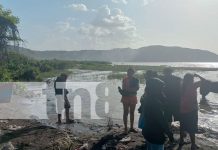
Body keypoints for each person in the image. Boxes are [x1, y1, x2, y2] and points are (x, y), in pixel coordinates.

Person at [142, 78, 174, 150]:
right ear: (155, 89)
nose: (162, 91)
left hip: (148, 131)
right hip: (156, 135)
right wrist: (169, 134)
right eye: (161, 89)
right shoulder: (155, 103)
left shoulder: (147, 98)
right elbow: (162, 121)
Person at [179, 73, 205, 150]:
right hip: (191, 110)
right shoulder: (193, 85)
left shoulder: (181, 86)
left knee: (182, 126)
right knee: (192, 127)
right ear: (191, 79)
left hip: (182, 109)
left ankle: (181, 141)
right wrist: (198, 75)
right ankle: (193, 145)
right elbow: (204, 81)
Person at [119, 68, 139, 134]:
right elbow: (124, 89)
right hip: (126, 97)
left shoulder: (136, 80)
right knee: (125, 112)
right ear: (127, 73)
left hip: (132, 97)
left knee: (132, 112)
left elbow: (136, 89)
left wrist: (127, 90)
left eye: (130, 72)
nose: (129, 74)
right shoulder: (124, 80)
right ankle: (125, 128)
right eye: (128, 72)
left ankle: (131, 127)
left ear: (133, 73)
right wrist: (122, 91)